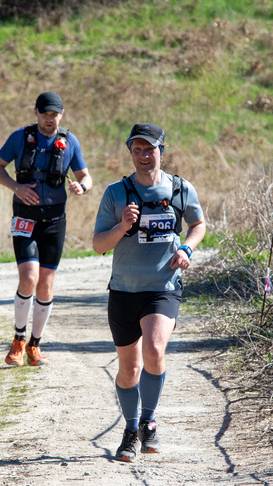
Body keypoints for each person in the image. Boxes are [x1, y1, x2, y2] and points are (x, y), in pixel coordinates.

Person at [92, 123, 206, 462]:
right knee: (129, 369)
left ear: (162, 150)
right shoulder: (116, 193)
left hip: (163, 287)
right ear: (130, 152)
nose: (144, 156)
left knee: (154, 350)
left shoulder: (181, 189)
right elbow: (98, 244)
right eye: (137, 150)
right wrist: (122, 226)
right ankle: (130, 429)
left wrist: (186, 248)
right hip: (124, 290)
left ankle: (149, 421)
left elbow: (198, 224)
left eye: (150, 149)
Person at [0, 92, 92, 367]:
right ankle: (18, 340)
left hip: (55, 221)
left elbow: (85, 175)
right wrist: (16, 187)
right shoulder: (19, 138)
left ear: (61, 114)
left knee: (45, 284)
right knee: (29, 278)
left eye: (54, 115)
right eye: (45, 114)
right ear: (36, 112)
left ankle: (35, 345)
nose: (49, 119)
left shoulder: (70, 142)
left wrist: (82, 187)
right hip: (25, 218)